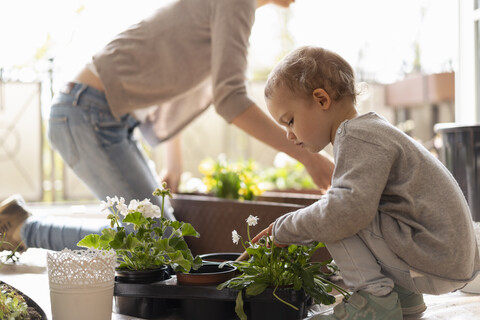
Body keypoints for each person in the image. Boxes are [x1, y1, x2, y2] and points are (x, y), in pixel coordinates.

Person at [0, 0, 334, 252]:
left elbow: (169, 84)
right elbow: (230, 99)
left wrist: (172, 166)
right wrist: (308, 157)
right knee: (156, 241)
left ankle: (18, 225)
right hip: (88, 113)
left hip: (103, 117)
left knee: (158, 237)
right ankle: (21, 230)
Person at [251, 46, 480, 319]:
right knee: (346, 204)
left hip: (436, 262)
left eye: (289, 121)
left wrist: (284, 228)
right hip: (446, 260)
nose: (289, 135)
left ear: (322, 99)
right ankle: (403, 297)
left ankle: (376, 302)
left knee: (338, 212)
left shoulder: (356, 136)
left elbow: (344, 214)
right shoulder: (371, 130)